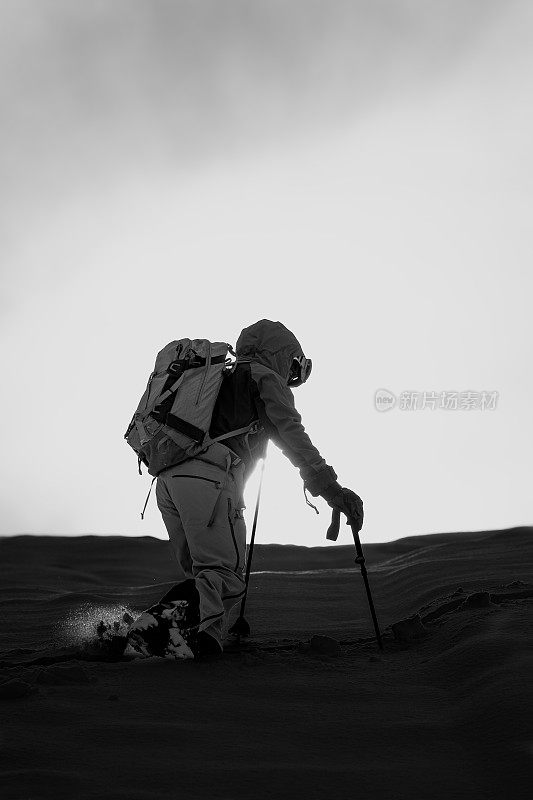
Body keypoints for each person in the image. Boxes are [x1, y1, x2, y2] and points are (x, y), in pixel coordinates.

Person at [154, 319, 363, 659]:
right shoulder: (265, 378)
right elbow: (294, 438)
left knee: (204, 571)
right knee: (226, 574)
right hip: (209, 478)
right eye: (295, 365)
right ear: (281, 355)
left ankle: (177, 631)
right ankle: (175, 631)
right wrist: (331, 489)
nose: (294, 375)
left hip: (168, 479)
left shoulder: (223, 375)